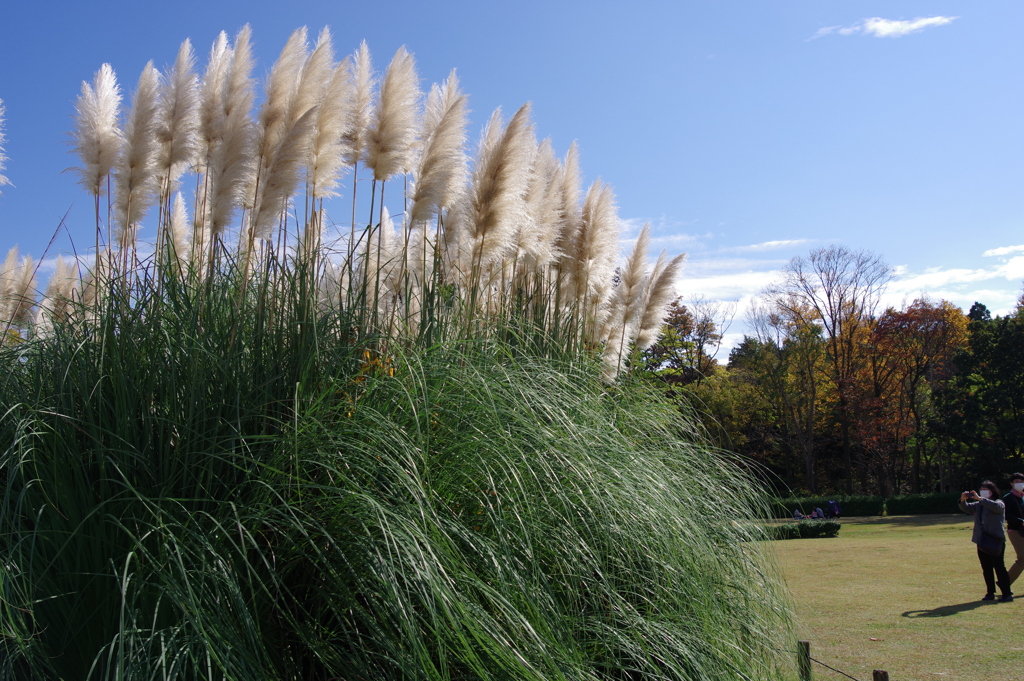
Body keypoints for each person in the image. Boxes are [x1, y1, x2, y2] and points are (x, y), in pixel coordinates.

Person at [959, 482, 1013, 602]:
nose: (983, 491)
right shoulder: (979, 505)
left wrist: (980, 499)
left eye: (986, 489)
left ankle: (1007, 593)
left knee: (999, 567)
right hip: (982, 540)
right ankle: (990, 593)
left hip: (995, 540)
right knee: (986, 567)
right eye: (981, 489)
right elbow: (967, 508)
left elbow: (996, 508)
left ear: (992, 491)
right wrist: (962, 500)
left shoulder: (999, 502)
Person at [1004, 472, 1024, 585]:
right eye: (1017, 482)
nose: (1020, 484)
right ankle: (1005, 583)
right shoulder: (1008, 498)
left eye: (1021, 482)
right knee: (1022, 559)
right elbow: (1005, 514)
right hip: (1015, 531)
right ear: (1011, 484)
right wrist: (1021, 521)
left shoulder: (1023, 497)